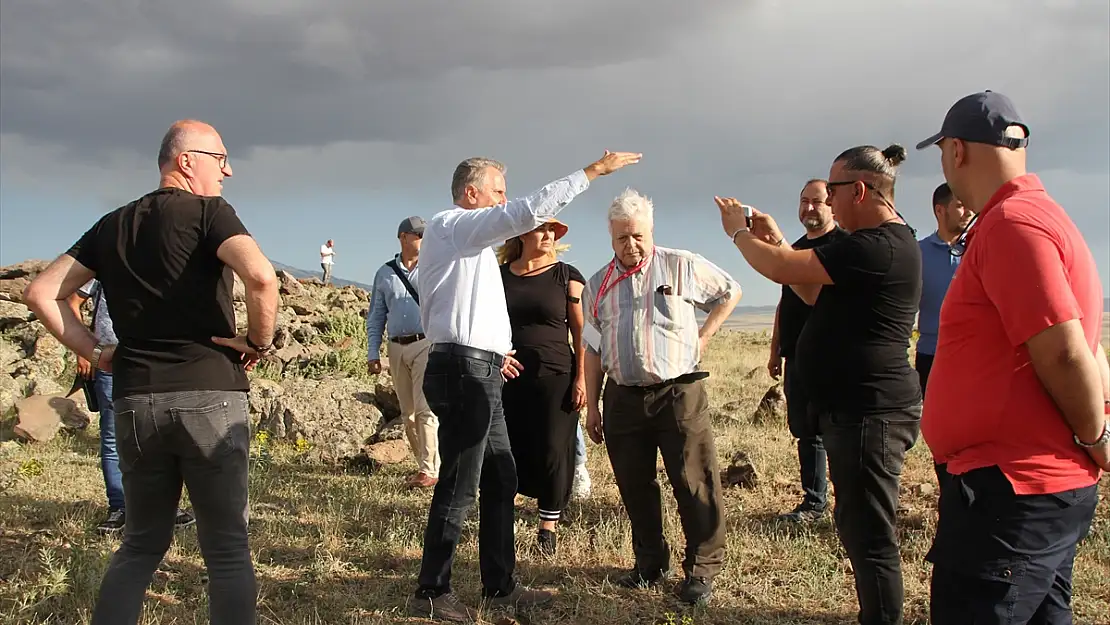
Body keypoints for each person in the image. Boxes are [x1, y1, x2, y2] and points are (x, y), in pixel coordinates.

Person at [23, 119, 280, 625]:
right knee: (226, 547)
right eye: (220, 157)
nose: (228, 169)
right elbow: (261, 276)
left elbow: (41, 293)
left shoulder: (114, 224)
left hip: (136, 396)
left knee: (140, 543)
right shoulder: (211, 214)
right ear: (186, 160)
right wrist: (258, 342)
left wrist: (98, 353)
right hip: (209, 391)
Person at [409, 150, 641, 622]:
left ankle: (500, 587)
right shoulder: (452, 225)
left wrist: (497, 350)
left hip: (479, 368)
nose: (504, 200)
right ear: (472, 193)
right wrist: (592, 172)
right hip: (462, 371)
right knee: (459, 482)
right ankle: (432, 591)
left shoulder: (469, 246)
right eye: (497, 190)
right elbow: (526, 212)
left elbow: (470, 309)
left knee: (500, 476)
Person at [916, 90, 1109, 624]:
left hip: (1012, 495)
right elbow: (1091, 347)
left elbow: (1069, 352)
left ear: (956, 151)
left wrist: (1097, 438)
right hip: (1033, 489)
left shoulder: (1011, 225)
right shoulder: (1043, 217)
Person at [718, 143, 922, 625]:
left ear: (858, 190)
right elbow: (807, 287)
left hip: (870, 411)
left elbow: (782, 270)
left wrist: (740, 234)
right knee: (858, 527)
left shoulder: (874, 245)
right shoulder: (879, 244)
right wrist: (780, 241)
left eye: (831, 191)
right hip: (859, 409)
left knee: (870, 535)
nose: (826, 201)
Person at [582, 188, 741, 607]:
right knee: (635, 486)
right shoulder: (597, 285)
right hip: (623, 398)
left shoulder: (681, 265)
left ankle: (702, 569)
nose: (630, 245)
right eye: (621, 238)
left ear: (650, 232)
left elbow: (730, 292)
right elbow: (593, 347)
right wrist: (594, 405)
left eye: (637, 236)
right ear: (611, 237)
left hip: (678, 393)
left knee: (695, 483)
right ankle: (650, 565)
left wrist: (704, 336)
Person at [66, 280, 196, 533]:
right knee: (114, 435)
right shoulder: (102, 256)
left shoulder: (162, 256)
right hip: (109, 363)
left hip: (157, 360)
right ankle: (120, 507)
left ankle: (165, 506)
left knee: (162, 434)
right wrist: (84, 350)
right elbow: (72, 301)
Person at [495, 218, 588, 556]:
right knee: (512, 447)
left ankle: (548, 525)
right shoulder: (499, 275)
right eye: (542, 229)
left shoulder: (566, 275)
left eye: (553, 231)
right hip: (510, 376)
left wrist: (582, 377)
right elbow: (487, 321)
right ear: (522, 234)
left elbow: (581, 332)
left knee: (553, 447)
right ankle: (505, 510)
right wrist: (496, 355)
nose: (549, 236)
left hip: (557, 374)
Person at [767, 179, 847, 524]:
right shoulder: (795, 250)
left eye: (816, 201)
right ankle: (814, 503)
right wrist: (774, 351)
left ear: (833, 204)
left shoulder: (844, 246)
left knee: (838, 430)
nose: (809, 208)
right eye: (804, 201)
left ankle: (848, 503)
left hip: (833, 356)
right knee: (805, 430)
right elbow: (784, 306)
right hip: (797, 356)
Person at [366, 216, 440, 489]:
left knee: (425, 409)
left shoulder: (434, 269)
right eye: (418, 234)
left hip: (426, 344)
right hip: (396, 347)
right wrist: (373, 353)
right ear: (403, 237)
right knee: (408, 414)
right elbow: (376, 316)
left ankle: (430, 469)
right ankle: (426, 463)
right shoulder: (384, 274)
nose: (423, 239)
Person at [914, 182, 973, 394]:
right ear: (940, 210)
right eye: (960, 206)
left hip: (974, 356)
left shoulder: (978, 249)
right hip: (931, 355)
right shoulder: (918, 253)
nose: (968, 212)